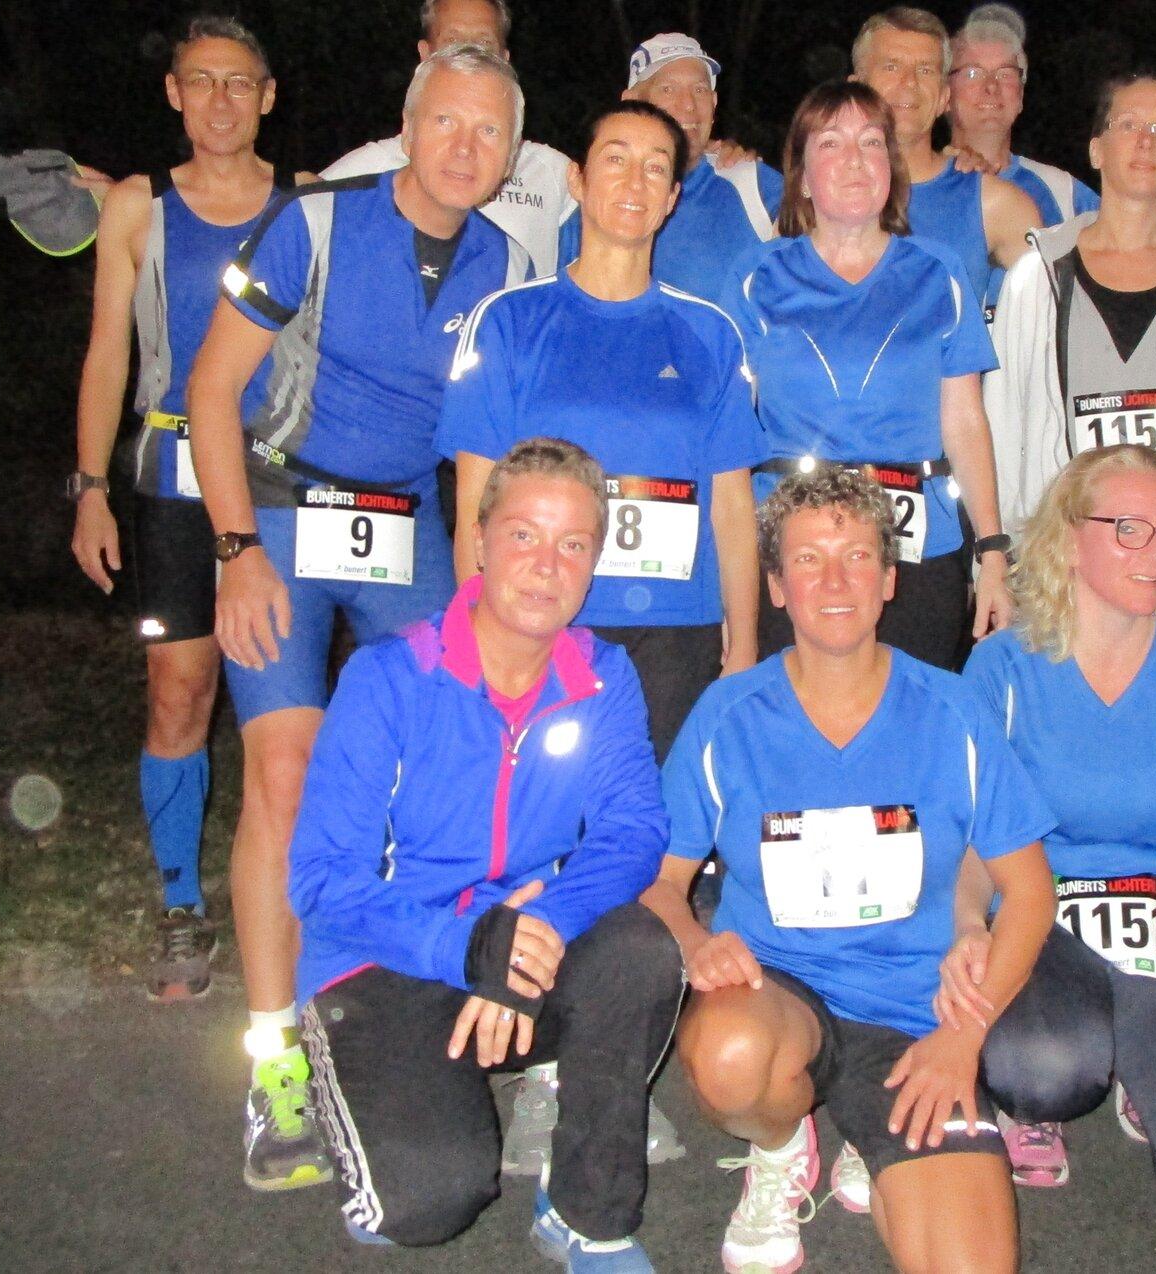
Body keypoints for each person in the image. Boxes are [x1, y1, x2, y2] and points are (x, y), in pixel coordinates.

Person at [185, 44, 531, 1191]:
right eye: (448, 122)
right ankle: (275, 1052)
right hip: (282, 510)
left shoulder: (507, 260)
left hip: (404, 532)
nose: (466, 146)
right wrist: (234, 552)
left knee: (445, 763)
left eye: (490, 131)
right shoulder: (315, 223)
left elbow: (486, 441)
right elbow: (209, 391)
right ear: (408, 122)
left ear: (511, 150)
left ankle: (401, 998)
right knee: (286, 775)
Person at [438, 99, 766, 1176]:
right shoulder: (512, 321)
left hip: (673, 637)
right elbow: (475, 504)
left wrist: (742, 650)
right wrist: (470, 644)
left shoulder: (706, 333)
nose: (633, 180)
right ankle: (543, 1078)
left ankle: (611, 1064)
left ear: (676, 196)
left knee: (645, 859)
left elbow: (729, 510)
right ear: (578, 179)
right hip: (546, 633)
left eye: (656, 166)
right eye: (613, 159)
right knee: (549, 848)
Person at [643, 466, 1057, 1274]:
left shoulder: (951, 709)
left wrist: (960, 1039)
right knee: (729, 1059)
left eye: (857, 556)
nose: (834, 581)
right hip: (778, 992)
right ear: (774, 585)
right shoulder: (727, 715)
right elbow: (659, 880)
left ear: (889, 578)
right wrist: (694, 939)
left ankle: (877, 1133)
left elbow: (1031, 893)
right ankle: (779, 1144)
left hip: (915, 1012)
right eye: (807, 560)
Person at [289, 439, 681, 1270]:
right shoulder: (388, 678)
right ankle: (374, 1106)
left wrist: (532, 924)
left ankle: (586, 1214)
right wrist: (468, 943)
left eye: (573, 543)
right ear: (476, 541)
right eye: (524, 536)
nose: (547, 565)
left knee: (640, 953)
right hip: (385, 959)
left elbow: (634, 830)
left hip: (517, 941)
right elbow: (322, 882)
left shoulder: (602, 677)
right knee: (426, 1202)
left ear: (595, 560)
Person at [956, 445, 1156, 1249]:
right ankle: (1067, 1077)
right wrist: (967, 924)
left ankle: (1146, 1062)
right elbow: (965, 841)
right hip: (1038, 929)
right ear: (1067, 538)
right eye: (1128, 529)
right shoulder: (1000, 669)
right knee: (1042, 1072)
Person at [68, 16, 293, 1002]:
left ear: (267, 96)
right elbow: (108, 353)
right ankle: (178, 901)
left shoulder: (305, 206)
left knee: (283, 707)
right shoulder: (136, 208)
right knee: (179, 694)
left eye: (238, 83)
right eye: (200, 82)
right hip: (169, 477)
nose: (219, 100)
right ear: (172, 93)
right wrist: (89, 488)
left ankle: (292, 902)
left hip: (280, 474)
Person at [723, 80, 1014, 672]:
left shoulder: (940, 273)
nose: (854, 160)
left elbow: (963, 420)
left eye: (871, 142)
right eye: (831, 144)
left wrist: (992, 553)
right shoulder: (757, 276)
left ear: (892, 165)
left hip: (916, 556)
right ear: (800, 174)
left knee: (909, 731)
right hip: (789, 551)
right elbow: (728, 435)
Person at [988, 73, 1156, 552]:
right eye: (1127, 124)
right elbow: (1003, 425)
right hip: (1076, 552)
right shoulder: (1039, 277)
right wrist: (996, 556)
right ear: (1096, 150)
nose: (1146, 141)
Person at [322, 0, 574, 276]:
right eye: (452, 41)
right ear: (424, 53)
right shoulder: (368, 168)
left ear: (505, 58)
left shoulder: (552, 172)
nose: (468, 53)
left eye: (484, 43)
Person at [557, 33, 782, 303]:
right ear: (631, 103)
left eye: (699, 90)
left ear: (713, 104)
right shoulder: (588, 202)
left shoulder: (753, 187)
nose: (688, 105)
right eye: (668, 89)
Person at [850, 7, 1042, 309]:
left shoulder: (995, 204)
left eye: (925, 70)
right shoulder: (815, 199)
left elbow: (1046, 330)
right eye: (891, 66)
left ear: (943, 97)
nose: (909, 82)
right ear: (855, 89)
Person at [945, 5, 1101, 309]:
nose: (991, 87)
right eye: (973, 73)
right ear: (944, 93)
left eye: (1005, 73)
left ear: (1021, 96)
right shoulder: (912, 187)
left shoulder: (1064, 193)